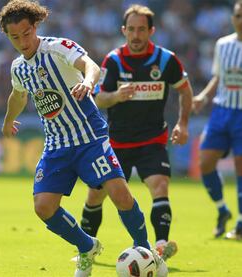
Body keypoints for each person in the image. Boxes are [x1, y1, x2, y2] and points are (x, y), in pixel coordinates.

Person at [0, 1, 167, 277]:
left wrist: (88, 82)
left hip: (89, 137)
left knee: (120, 194)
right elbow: (18, 95)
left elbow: (90, 65)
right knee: (43, 207)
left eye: (26, 33)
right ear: (7, 36)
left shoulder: (57, 47)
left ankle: (146, 252)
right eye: (15, 37)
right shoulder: (18, 68)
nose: (22, 41)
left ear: (35, 26)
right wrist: (7, 119)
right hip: (56, 145)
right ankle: (86, 247)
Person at [79, 4, 193, 261]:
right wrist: (116, 96)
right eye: (131, 29)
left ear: (151, 31)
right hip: (116, 141)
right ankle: (86, 250)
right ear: (123, 30)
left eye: (142, 29)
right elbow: (98, 99)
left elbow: (185, 90)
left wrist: (183, 123)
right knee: (96, 194)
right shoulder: (114, 60)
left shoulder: (166, 60)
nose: (136, 35)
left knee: (160, 185)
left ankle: (161, 247)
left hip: (152, 140)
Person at [193, 0, 242, 241]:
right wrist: (202, 96)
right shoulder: (223, 44)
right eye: (238, 15)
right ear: (233, 18)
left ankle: (241, 223)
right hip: (221, 111)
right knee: (205, 162)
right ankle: (223, 209)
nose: (241, 19)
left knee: (241, 166)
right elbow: (218, 77)